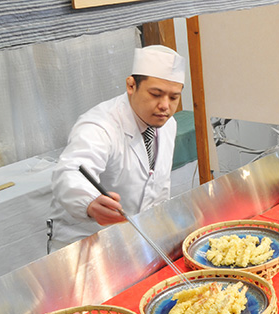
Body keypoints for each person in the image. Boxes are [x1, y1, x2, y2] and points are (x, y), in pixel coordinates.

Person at [47, 45, 185, 251]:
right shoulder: (100, 125)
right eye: (156, 94)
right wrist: (89, 202)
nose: (165, 105)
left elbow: (158, 183)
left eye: (174, 97)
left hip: (137, 240)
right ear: (131, 85)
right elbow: (69, 171)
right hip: (87, 242)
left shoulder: (167, 124)